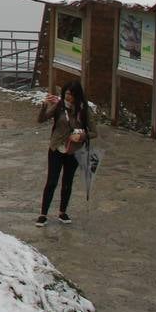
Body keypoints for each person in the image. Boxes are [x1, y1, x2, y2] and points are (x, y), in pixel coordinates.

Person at [35, 79, 96, 226]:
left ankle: (62, 212)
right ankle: (43, 214)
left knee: (67, 182)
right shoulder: (60, 106)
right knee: (51, 181)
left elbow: (94, 132)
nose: (68, 97)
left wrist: (81, 136)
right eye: (67, 94)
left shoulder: (84, 110)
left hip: (74, 151)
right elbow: (41, 120)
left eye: (71, 95)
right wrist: (44, 106)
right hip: (56, 148)